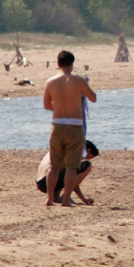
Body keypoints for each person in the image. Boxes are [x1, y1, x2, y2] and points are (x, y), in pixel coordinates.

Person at [43, 50, 96, 207]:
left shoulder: (50, 82)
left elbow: (47, 105)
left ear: (58, 64)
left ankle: (50, 198)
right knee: (72, 166)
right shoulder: (79, 81)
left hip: (57, 125)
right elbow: (93, 98)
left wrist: (60, 108)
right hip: (75, 125)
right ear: (72, 64)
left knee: (54, 166)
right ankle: (65, 200)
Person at [36, 140, 99, 205]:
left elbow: (72, 181)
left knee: (63, 169)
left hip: (41, 181)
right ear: (88, 150)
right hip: (45, 181)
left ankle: (56, 196)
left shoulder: (64, 147)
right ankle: (66, 197)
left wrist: (83, 199)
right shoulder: (74, 151)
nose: (87, 158)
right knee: (87, 165)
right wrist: (83, 199)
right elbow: (73, 180)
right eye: (89, 157)